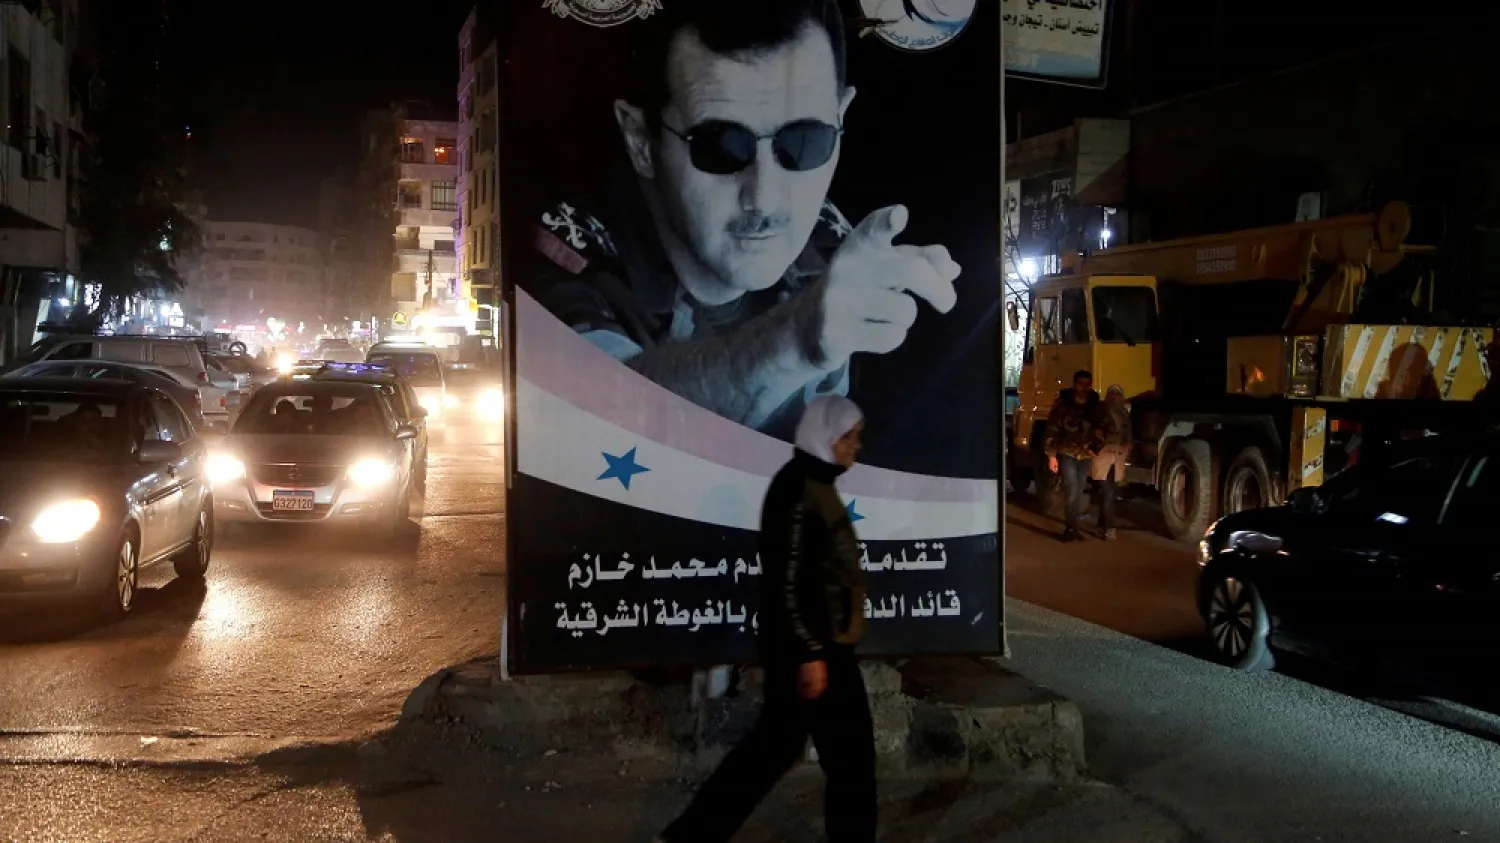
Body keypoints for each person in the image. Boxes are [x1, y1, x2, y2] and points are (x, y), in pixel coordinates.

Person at [528, 0, 961, 440]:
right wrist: (792, 341)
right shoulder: (568, 255)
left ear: (840, 120)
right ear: (641, 142)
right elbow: (592, 420)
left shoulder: (840, 249)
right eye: (720, 147)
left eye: (804, 142)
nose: (764, 197)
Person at [657, 394, 875, 843]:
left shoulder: (812, 482)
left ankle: (688, 835)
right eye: (849, 437)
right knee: (848, 760)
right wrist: (811, 653)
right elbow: (787, 580)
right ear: (826, 436)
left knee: (772, 750)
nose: (857, 446)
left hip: (807, 647)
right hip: (815, 649)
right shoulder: (799, 490)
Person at [1044, 369, 1103, 542]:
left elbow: (1102, 428)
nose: (1084, 388)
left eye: (1087, 384)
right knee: (1072, 488)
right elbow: (1052, 430)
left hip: (1085, 455)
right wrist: (1051, 455)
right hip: (1066, 451)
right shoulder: (1063, 405)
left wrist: (1096, 447)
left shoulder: (1094, 407)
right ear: (1074, 385)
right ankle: (1070, 527)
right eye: (1080, 384)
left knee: (1078, 491)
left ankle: (1073, 527)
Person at [1090, 384, 1132, 540]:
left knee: (1108, 493)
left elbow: (1128, 435)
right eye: (1112, 393)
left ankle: (1102, 526)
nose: (1115, 396)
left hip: (1118, 457)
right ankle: (1109, 528)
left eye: (1118, 393)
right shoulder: (1100, 411)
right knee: (1107, 492)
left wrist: (1127, 451)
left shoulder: (1124, 414)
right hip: (1103, 454)